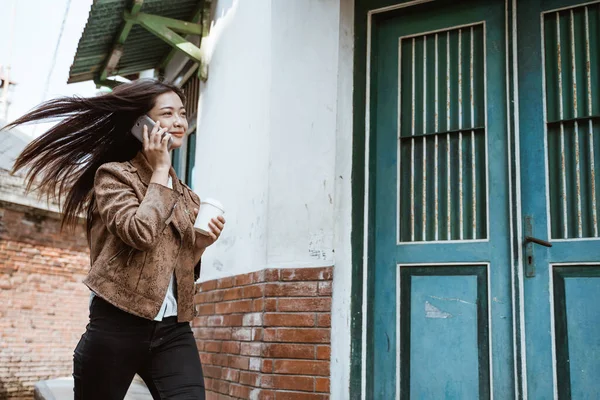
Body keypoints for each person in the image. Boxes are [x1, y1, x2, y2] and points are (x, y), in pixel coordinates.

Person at [6, 79, 224, 399]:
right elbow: (140, 233)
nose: (179, 122)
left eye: (182, 113)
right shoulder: (114, 176)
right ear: (142, 124)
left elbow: (177, 266)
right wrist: (161, 168)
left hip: (172, 330)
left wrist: (201, 243)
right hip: (117, 326)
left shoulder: (189, 197)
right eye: (167, 114)